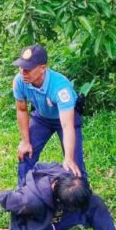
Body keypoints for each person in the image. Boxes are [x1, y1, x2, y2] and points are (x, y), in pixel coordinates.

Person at [13, 44, 87, 181]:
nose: (23, 72)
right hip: (41, 118)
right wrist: (25, 141)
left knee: (74, 166)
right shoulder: (20, 81)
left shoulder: (60, 87)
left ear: (42, 68)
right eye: (21, 66)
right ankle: (22, 195)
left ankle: (81, 199)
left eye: (28, 68)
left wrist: (68, 158)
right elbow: (21, 109)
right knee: (25, 154)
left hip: (65, 120)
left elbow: (67, 126)